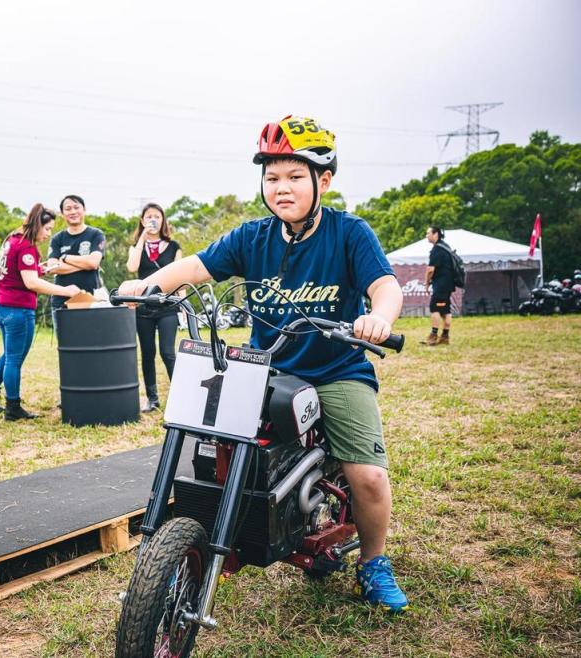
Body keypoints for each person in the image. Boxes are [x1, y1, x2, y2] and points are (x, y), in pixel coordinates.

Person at [118, 116, 409, 612]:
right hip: (264, 367)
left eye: (296, 176)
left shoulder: (349, 233)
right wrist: (148, 287)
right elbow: (194, 268)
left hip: (336, 369)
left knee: (369, 478)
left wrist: (379, 318)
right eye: (272, 177)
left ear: (324, 181)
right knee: (214, 449)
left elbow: (385, 286)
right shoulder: (253, 237)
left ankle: (374, 563)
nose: (282, 188)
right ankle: (227, 532)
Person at [0, 204, 81, 420]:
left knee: (8, 355)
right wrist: (66, 290)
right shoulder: (26, 246)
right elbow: (32, 283)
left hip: (2, 306)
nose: (48, 233)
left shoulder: (11, 239)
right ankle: (12, 408)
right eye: (48, 228)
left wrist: (42, 268)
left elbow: (17, 271)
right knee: (14, 359)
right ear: (37, 225)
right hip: (18, 310)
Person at [125, 202, 183, 412]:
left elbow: (180, 278)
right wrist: (142, 238)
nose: (153, 220)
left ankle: (180, 397)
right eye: (148, 216)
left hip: (167, 306)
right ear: (142, 221)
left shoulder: (174, 247)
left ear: (163, 220)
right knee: (147, 352)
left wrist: (183, 306)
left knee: (168, 352)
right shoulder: (137, 247)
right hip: (144, 309)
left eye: (157, 216)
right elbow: (132, 267)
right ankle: (152, 398)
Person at [45, 194, 106, 316]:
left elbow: (93, 262)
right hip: (61, 302)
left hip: (90, 300)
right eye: (68, 209)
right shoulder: (57, 239)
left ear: (84, 210)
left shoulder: (96, 234)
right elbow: (52, 267)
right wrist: (86, 264)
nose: (73, 212)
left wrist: (65, 258)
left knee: (92, 335)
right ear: (62, 214)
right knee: (64, 336)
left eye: (76, 207)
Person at [421, 226, 454, 346]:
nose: (426, 236)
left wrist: (427, 283)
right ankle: (445, 336)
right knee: (446, 310)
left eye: (428, 233)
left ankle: (433, 336)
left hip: (440, 285)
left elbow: (430, 270)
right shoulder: (446, 247)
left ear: (436, 234)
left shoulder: (436, 250)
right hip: (448, 284)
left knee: (434, 308)